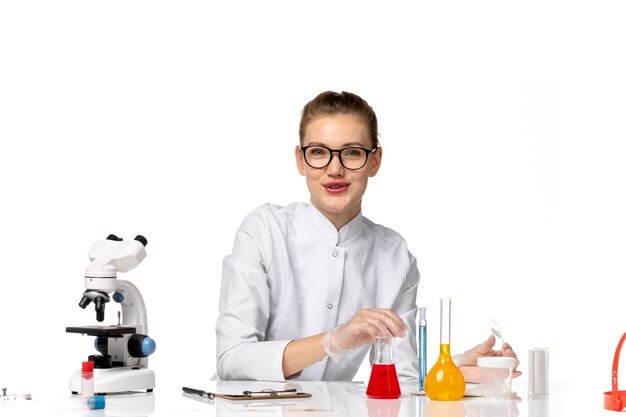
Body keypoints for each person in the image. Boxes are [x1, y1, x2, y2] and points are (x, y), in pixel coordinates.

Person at [215, 90, 520, 382]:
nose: (335, 169)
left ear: (374, 161)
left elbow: (398, 377)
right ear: (300, 160)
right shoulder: (264, 230)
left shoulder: (394, 254)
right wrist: (333, 341)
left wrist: (449, 371)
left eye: (352, 153)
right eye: (318, 152)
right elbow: (231, 359)